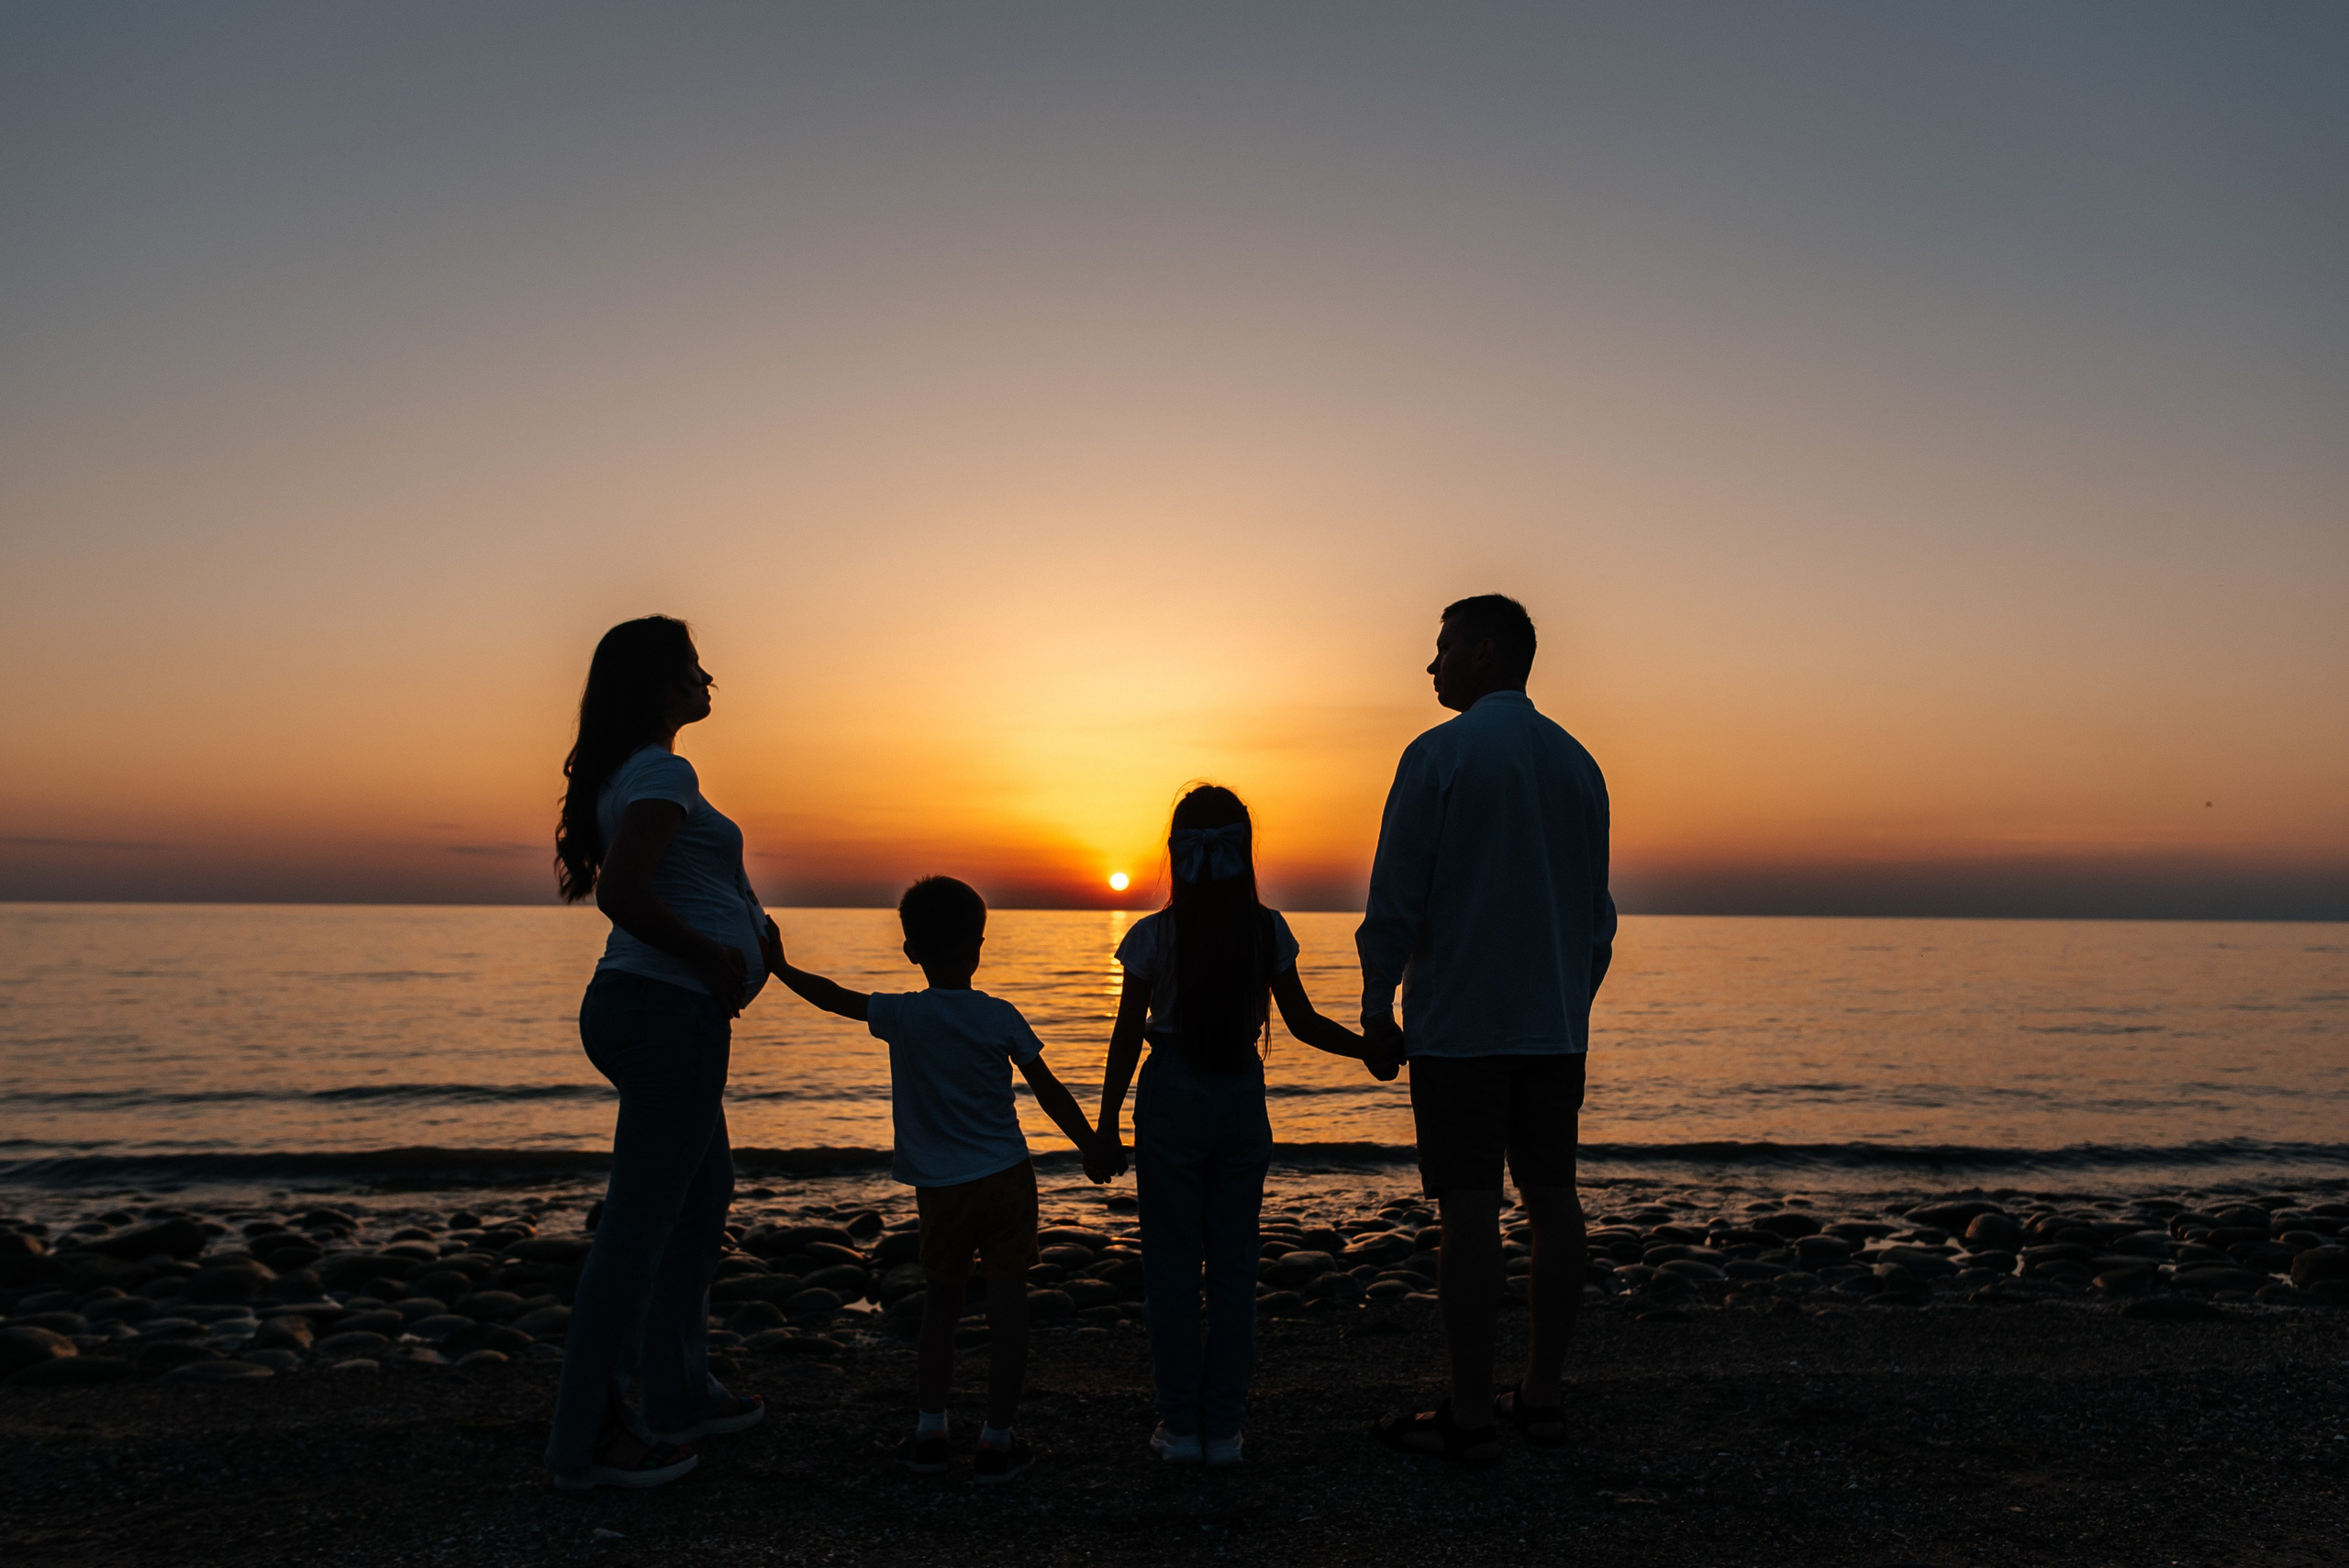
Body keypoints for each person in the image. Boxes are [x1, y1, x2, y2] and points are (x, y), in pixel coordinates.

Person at [1358, 594, 1616, 1464]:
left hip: (1462, 1026)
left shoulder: (1439, 754)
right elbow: (1597, 917)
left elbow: (1398, 893)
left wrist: (1374, 1001)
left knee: (1469, 1210)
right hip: (1553, 1026)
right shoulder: (1580, 765)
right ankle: (1541, 1396)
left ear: (1486, 651)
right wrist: (1571, 1001)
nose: (1430, 666)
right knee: (1553, 1201)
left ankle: (1470, 1411)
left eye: (1442, 648)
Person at [769, 874, 1109, 1484]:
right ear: (979, 945)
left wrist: (780, 965)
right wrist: (1091, 1145)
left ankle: (931, 1431)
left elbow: (831, 997)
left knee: (941, 1307)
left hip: (942, 1190)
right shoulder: (1000, 1016)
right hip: (1006, 1179)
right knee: (1009, 1312)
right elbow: (1050, 1091)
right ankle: (997, 1441)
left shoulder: (903, 1013)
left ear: (910, 950)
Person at [1093, 784, 1395, 1467]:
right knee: (1232, 1269)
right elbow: (1304, 1024)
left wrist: (1106, 1125)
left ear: (1175, 851)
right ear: (1245, 851)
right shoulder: (1267, 930)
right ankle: (1224, 1430)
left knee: (1171, 1270)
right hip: (1239, 1097)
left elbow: (1124, 1039)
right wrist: (1371, 1045)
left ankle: (1180, 1427)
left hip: (1169, 1096)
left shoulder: (1150, 936)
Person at [546, 615, 773, 1490]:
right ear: (653, 685)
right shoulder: (663, 770)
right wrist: (711, 952)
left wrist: (753, 928)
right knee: (638, 1228)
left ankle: (678, 1390)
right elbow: (626, 891)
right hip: (666, 1010)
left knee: (701, 1193)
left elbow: (676, 879)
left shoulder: (636, 772)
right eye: (690, 668)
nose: (707, 678)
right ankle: (588, 1438)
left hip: (647, 1006)